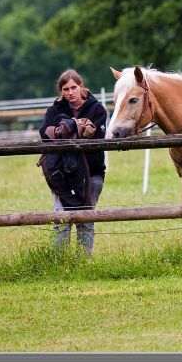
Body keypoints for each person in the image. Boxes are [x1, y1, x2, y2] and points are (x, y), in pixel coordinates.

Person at [39, 69, 108, 255]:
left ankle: (83, 261)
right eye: (65, 89)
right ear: (60, 91)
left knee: (86, 219)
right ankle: (60, 261)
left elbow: (98, 137)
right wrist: (79, 127)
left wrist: (67, 128)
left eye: (73, 87)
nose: (70, 92)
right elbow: (44, 134)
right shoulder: (54, 110)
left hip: (91, 172)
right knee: (61, 218)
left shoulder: (97, 110)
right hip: (61, 173)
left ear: (81, 87)